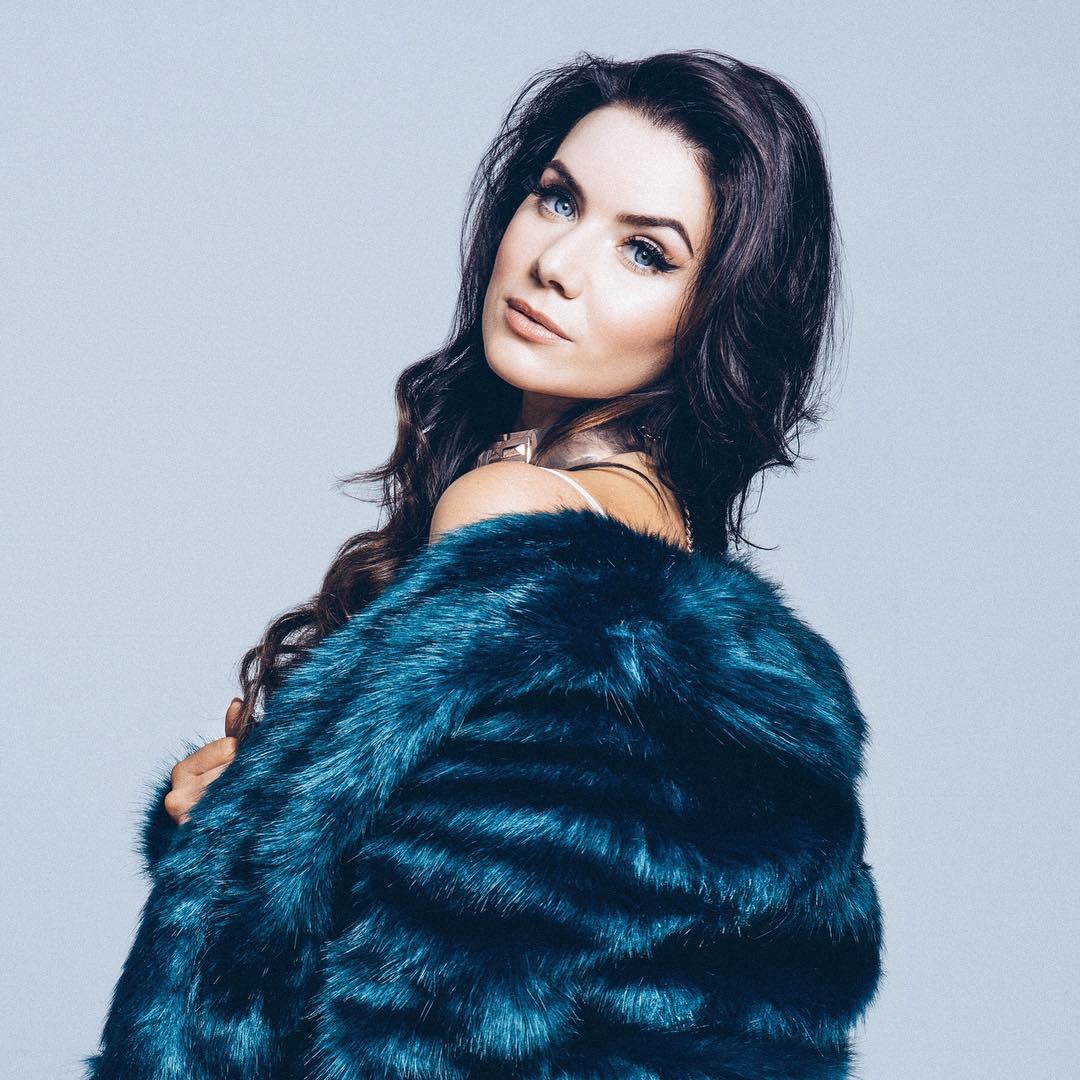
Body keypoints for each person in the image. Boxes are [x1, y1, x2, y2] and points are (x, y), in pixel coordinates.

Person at [86, 50, 883, 1078]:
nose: (558, 263)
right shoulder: (679, 582)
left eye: (646, 253)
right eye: (558, 199)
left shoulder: (514, 507)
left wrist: (234, 851)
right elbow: (528, 928)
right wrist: (250, 812)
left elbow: (415, 1008)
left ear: (716, 316)